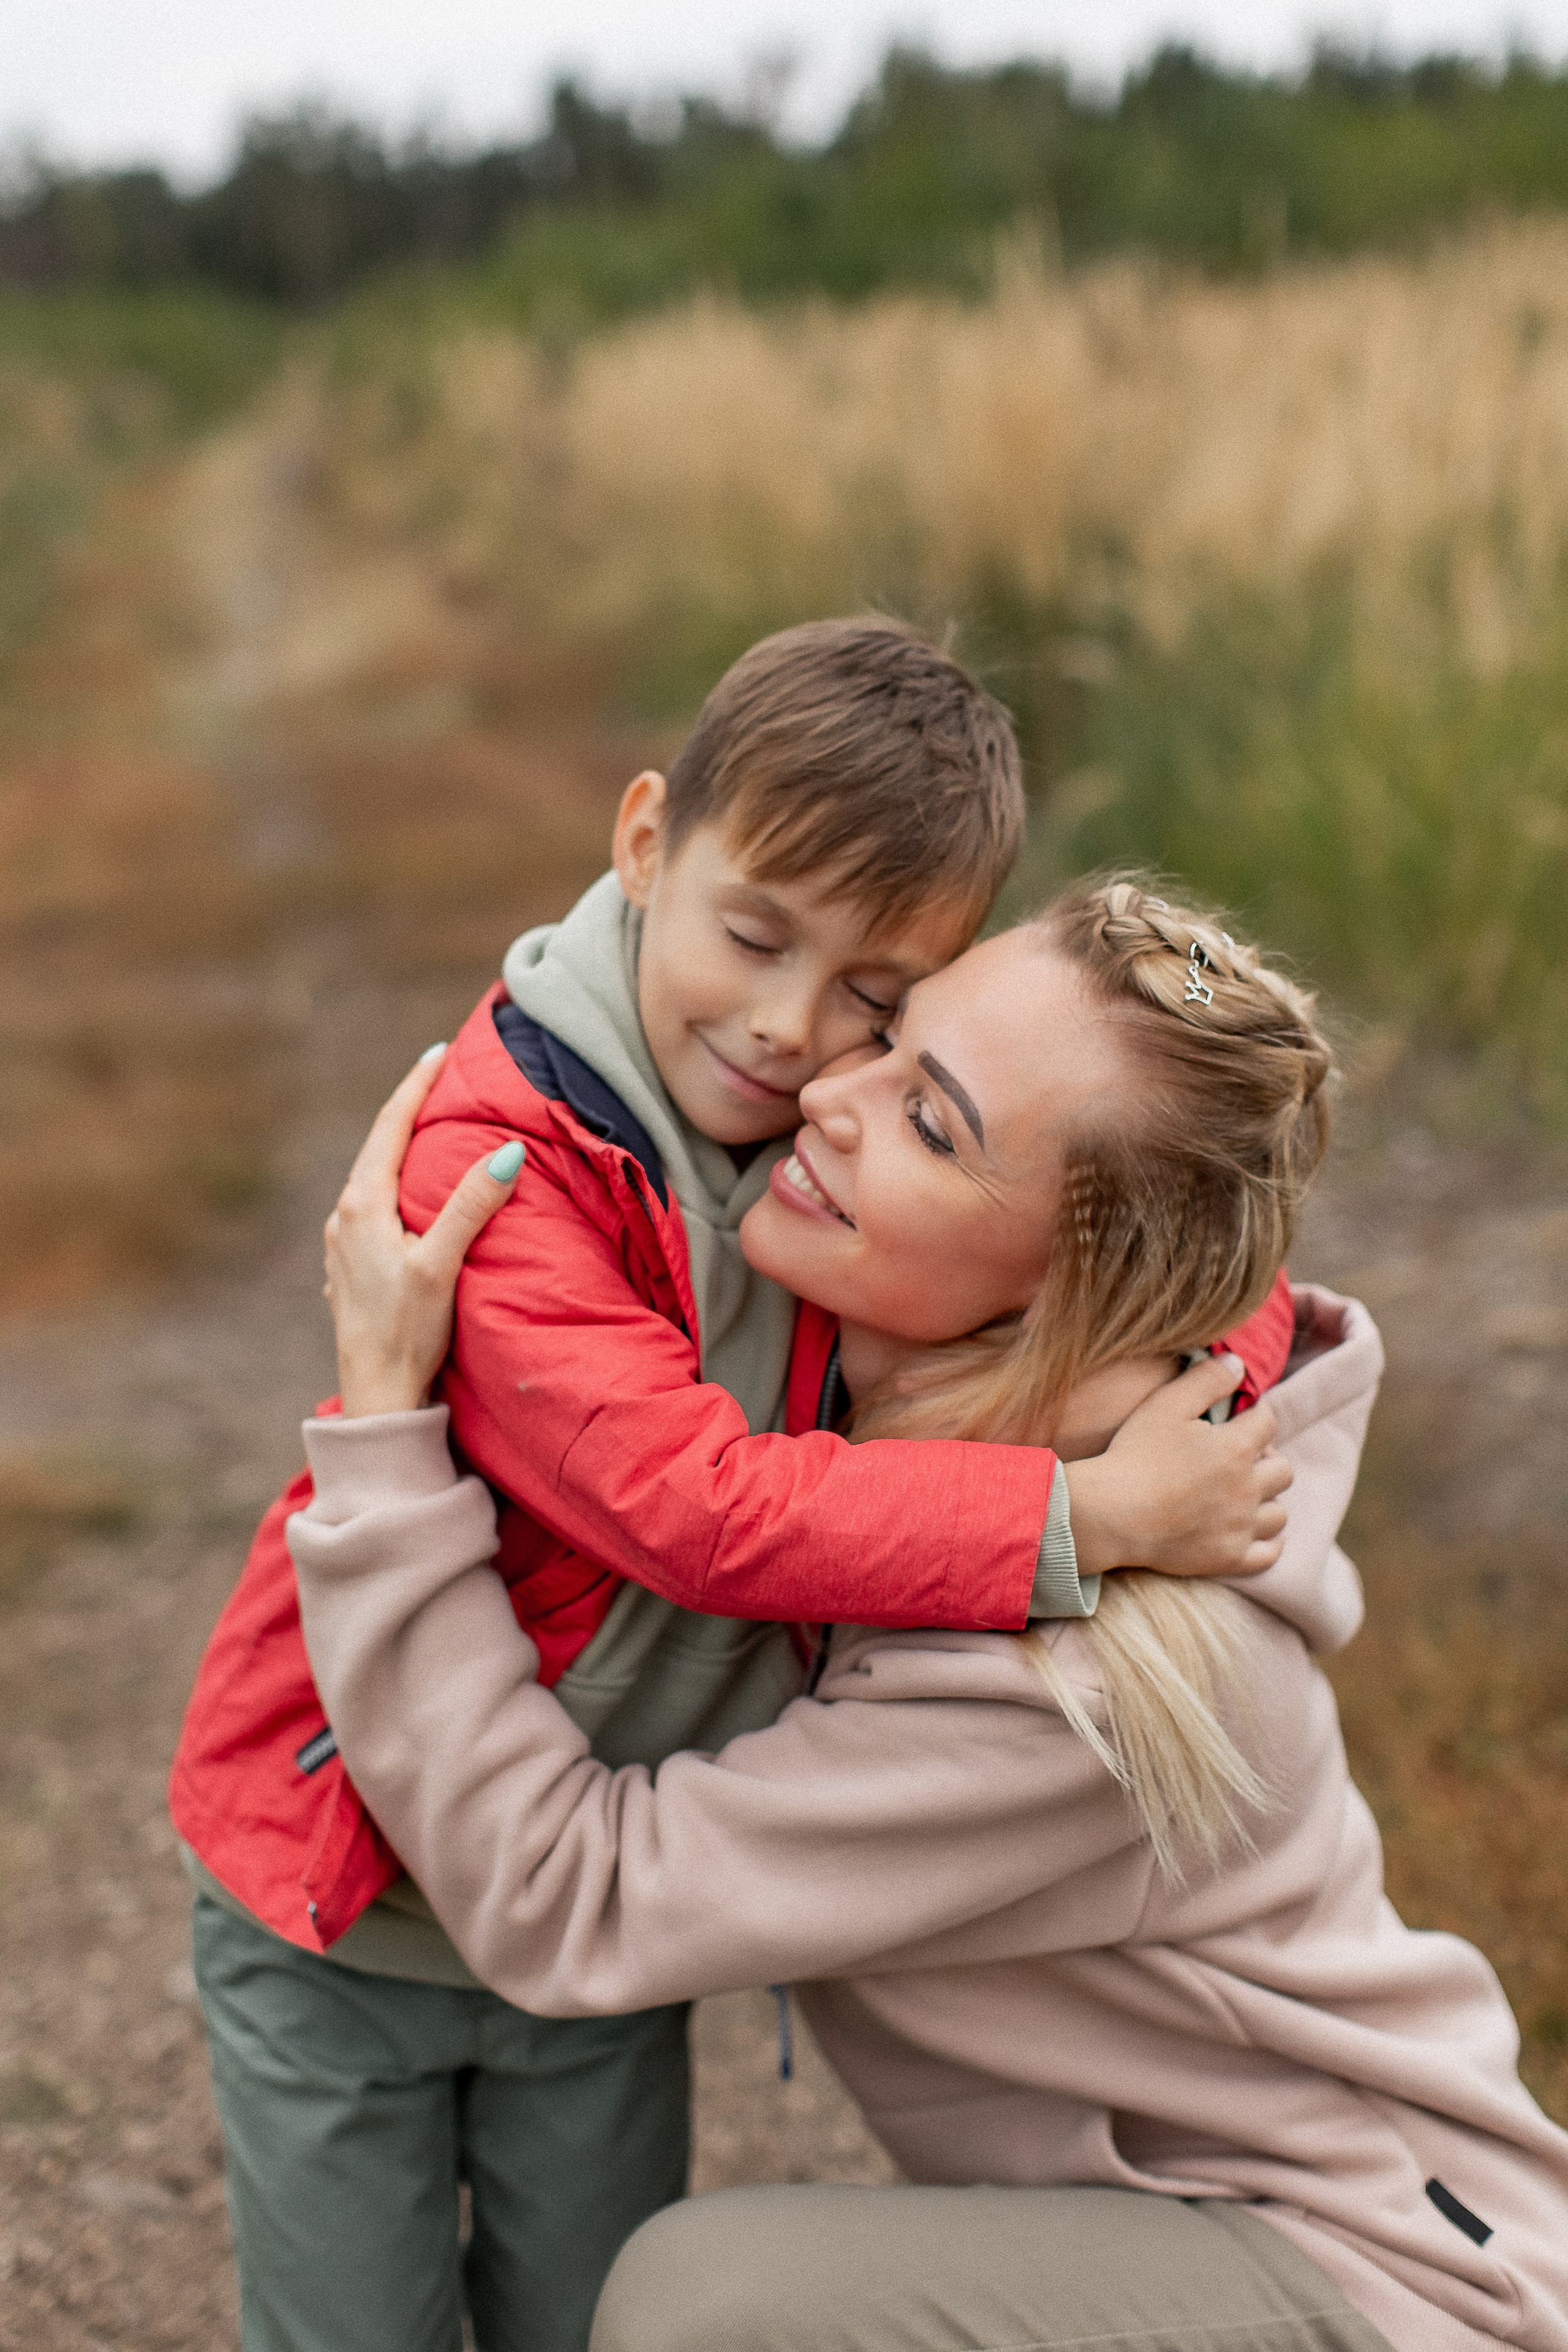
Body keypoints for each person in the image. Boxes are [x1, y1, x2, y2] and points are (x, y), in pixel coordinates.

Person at [171, 625, 1291, 2352]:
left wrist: (1218, 1392)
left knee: (585, 2314)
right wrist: (1095, 1518)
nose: (787, 1032)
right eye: (753, 935)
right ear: (643, 844)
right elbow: (695, 1511)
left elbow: (1160, 1219)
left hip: (596, 1910)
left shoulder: (829, 1119)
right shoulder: (502, 1161)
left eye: (873, 995)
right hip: (350, 1911)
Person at [291, 879, 1568, 2352]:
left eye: (931, 1125)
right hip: (1220, 2229)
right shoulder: (917, 1448)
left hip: (1391, 2288)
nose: (829, 1091)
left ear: (1054, 1303)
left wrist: (388, 1440)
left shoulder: (1082, 1672)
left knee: (705, 2312)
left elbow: (573, 1898)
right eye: (893, 1039)